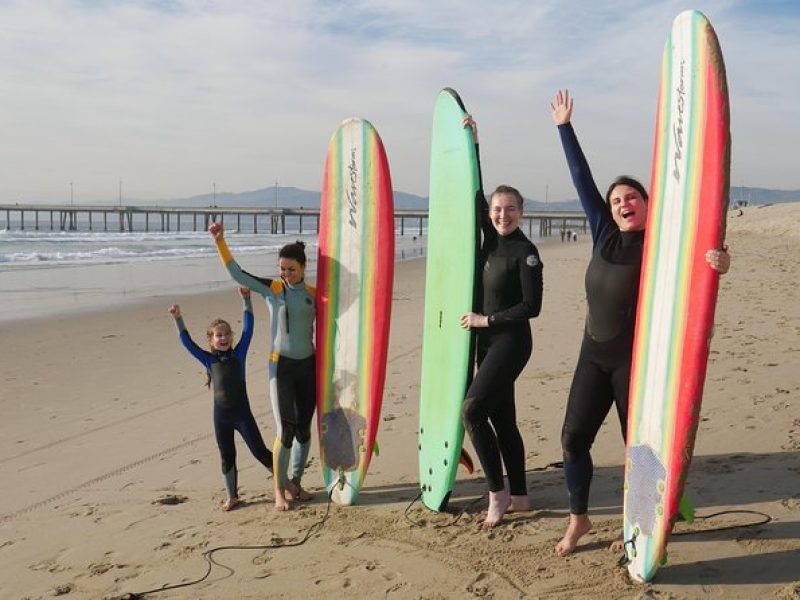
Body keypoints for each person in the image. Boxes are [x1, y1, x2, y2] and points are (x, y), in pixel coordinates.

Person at [549, 89, 730, 556]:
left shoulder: (666, 244)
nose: (623, 203)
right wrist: (565, 128)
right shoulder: (604, 232)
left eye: (632, 197)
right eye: (616, 200)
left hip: (638, 364)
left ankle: (644, 520)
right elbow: (582, 181)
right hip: (593, 354)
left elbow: (702, 268)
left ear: (649, 203)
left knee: (641, 448)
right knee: (572, 438)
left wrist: (719, 260)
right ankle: (579, 520)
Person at [459, 115, 544, 528]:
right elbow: (474, 192)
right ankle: (522, 495)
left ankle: (497, 493)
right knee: (503, 419)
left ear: (522, 212)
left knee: (472, 411)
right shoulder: (489, 238)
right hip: (488, 342)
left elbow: (532, 306)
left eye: (510, 209)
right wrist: (473, 144)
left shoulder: (525, 251)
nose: (502, 215)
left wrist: (485, 319)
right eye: (497, 209)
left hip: (510, 341)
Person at [209, 222, 316, 512]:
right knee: (285, 431)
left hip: (308, 366)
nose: (285, 273)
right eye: (282, 268)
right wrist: (221, 241)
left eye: (291, 269)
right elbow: (237, 273)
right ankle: (279, 491)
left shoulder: (314, 293)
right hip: (281, 368)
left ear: (304, 267)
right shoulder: (273, 289)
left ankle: (296, 481)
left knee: (304, 430)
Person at [168, 288, 274, 511]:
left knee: (259, 451)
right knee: (227, 455)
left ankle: (287, 485)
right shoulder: (207, 360)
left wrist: (246, 300)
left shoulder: (239, 354)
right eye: (219, 335)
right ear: (211, 340)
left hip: (242, 414)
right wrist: (178, 319)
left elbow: (248, 329)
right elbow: (187, 343)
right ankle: (232, 496)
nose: (223, 338)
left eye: (226, 334)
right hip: (221, 417)